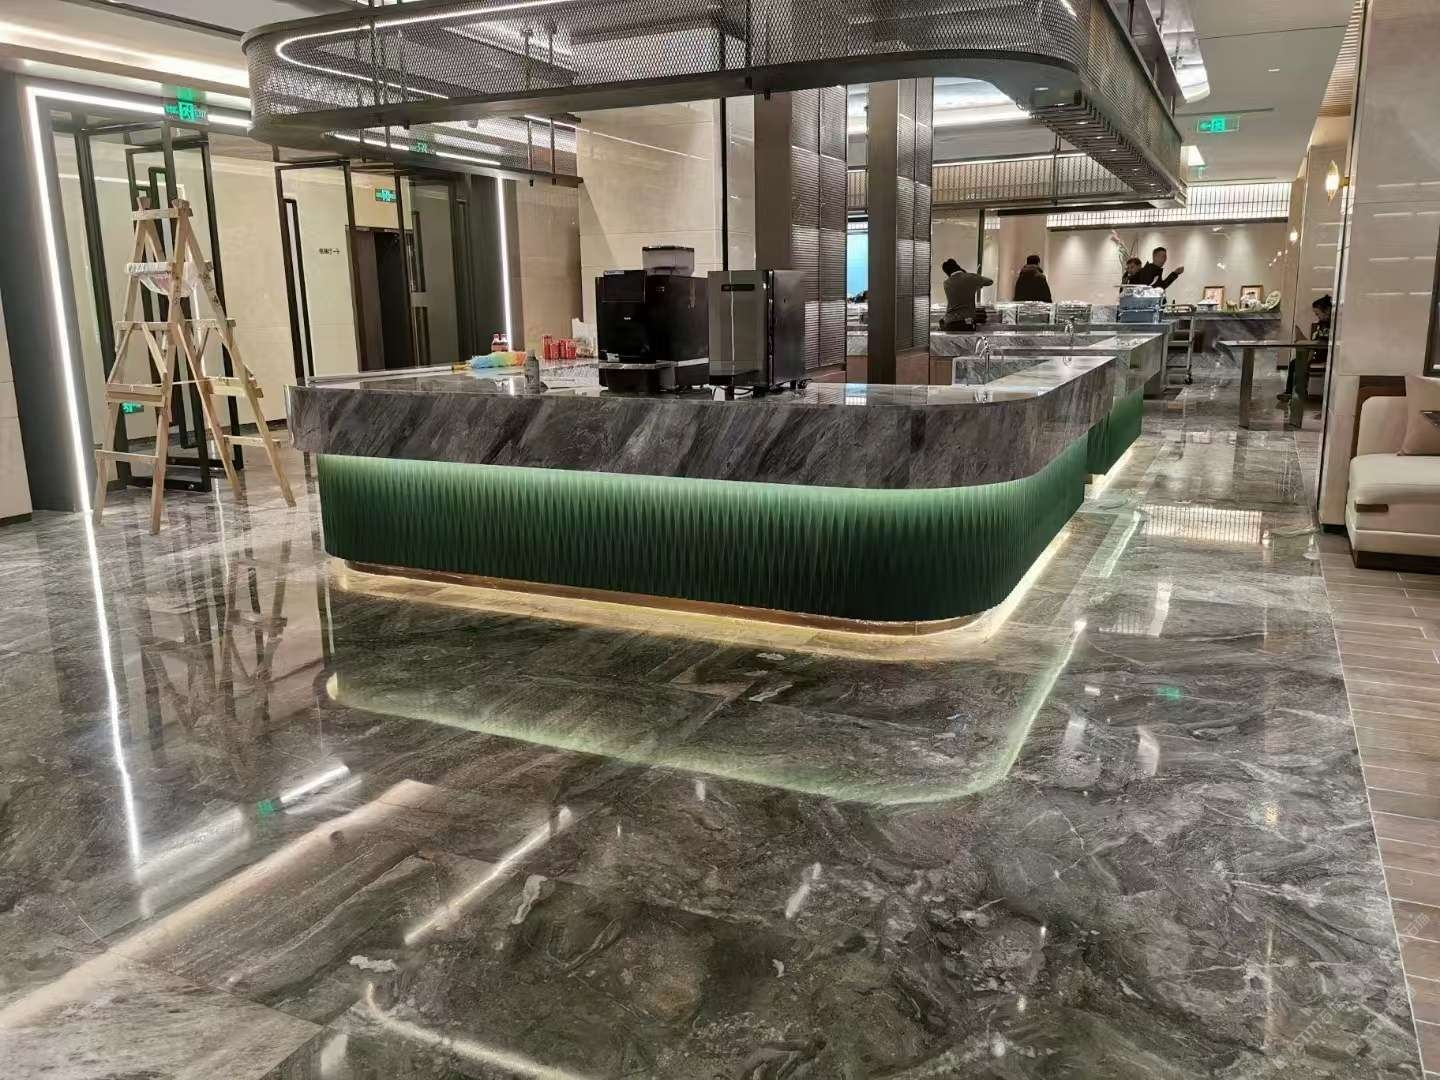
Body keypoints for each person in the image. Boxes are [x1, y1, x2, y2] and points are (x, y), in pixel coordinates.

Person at [1279, 294, 1332, 403]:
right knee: (1294, 363)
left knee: (1298, 363)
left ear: (1327, 311)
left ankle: (1297, 392)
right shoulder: (1321, 324)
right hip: (1315, 351)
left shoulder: (1330, 325)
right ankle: (1290, 391)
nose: (1317, 316)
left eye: (1318, 314)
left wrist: (1309, 344)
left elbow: (1323, 342)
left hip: (1324, 354)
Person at [941, 258, 993, 331]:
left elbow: (960, 291)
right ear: (958, 266)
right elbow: (990, 281)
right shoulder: (972, 277)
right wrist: (977, 281)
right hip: (966, 322)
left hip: (949, 322)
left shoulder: (946, 283)